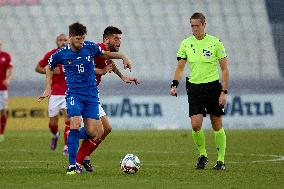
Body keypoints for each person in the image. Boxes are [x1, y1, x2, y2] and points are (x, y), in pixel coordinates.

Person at [38, 22, 132, 175]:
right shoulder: (61, 54)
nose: (81, 42)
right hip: (74, 94)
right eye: (78, 39)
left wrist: (123, 57)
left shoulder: (90, 47)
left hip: (91, 96)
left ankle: (71, 137)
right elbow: (48, 67)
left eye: (83, 38)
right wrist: (48, 87)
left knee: (92, 133)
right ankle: (72, 166)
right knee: (74, 123)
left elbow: (106, 55)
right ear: (70, 38)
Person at [75, 26, 139, 172]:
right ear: (106, 39)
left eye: (120, 39)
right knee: (97, 131)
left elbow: (109, 61)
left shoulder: (105, 54)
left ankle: (84, 156)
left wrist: (122, 77)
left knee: (106, 129)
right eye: (116, 38)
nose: (119, 42)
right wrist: (122, 57)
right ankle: (75, 159)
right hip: (84, 92)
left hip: (92, 93)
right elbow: (84, 66)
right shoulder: (97, 48)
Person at [170, 12, 229, 170]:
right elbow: (180, 67)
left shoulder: (216, 43)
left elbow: (224, 69)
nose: (194, 29)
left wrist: (224, 92)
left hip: (213, 87)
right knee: (196, 125)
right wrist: (174, 84)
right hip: (194, 88)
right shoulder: (186, 43)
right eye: (192, 26)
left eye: (197, 26)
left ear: (204, 25)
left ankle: (221, 161)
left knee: (216, 124)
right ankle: (203, 155)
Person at [35, 34, 70, 154]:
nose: (63, 42)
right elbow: (38, 67)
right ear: (56, 42)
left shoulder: (73, 54)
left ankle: (67, 146)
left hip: (69, 92)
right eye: (60, 40)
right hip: (55, 93)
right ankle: (55, 135)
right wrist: (49, 70)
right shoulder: (51, 54)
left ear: (69, 41)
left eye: (65, 40)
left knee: (69, 118)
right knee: (52, 123)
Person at [0, 40, 13, 142]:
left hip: (2, 89)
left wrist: (8, 79)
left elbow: (10, 70)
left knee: (3, 111)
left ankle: (1, 133)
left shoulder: (6, 56)